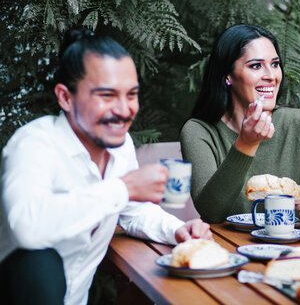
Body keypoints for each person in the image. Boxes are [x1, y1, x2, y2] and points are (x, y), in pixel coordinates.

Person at [0, 28, 213, 305]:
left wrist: (176, 230)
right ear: (65, 97)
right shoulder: (35, 143)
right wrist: (125, 187)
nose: (124, 110)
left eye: (131, 94)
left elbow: (132, 211)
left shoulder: (120, 146)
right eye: (107, 95)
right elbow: (27, 226)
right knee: (38, 262)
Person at [180, 24, 300, 224]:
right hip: (229, 252)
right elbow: (212, 212)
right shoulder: (199, 131)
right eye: (256, 65)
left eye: (275, 64)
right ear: (228, 75)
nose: (271, 76)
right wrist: (246, 145)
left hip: (296, 251)